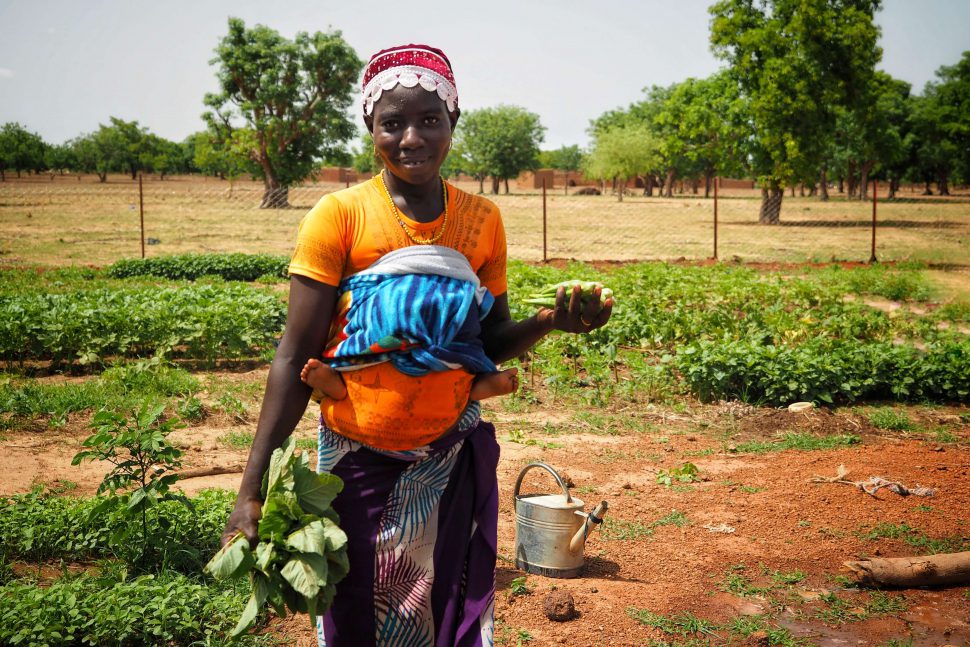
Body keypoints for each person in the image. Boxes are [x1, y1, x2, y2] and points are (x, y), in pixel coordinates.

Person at [222, 44, 612, 647]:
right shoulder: (339, 215)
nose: (411, 139)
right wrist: (249, 491)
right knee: (356, 614)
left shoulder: (482, 220)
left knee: (445, 613)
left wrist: (548, 322)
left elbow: (486, 341)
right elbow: (293, 355)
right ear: (369, 127)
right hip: (356, 460)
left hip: (448, 458)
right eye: (392, 123)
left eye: (429, 120)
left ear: (453, 120)